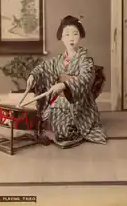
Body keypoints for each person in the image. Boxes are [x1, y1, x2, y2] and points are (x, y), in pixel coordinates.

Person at [26, 15, 107, 147]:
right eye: (67, 34)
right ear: (62, 38)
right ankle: (52, 126)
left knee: (64, 132)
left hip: (77, 104)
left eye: (75, 34)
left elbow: (85, 78)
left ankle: (71, 128)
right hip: (57, 102)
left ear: (81, 37)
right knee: (41, 120)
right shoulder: (58, 60)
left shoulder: (85, 60)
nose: (71, 38)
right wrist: (33, 75)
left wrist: (64, 85)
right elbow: (43, 68)